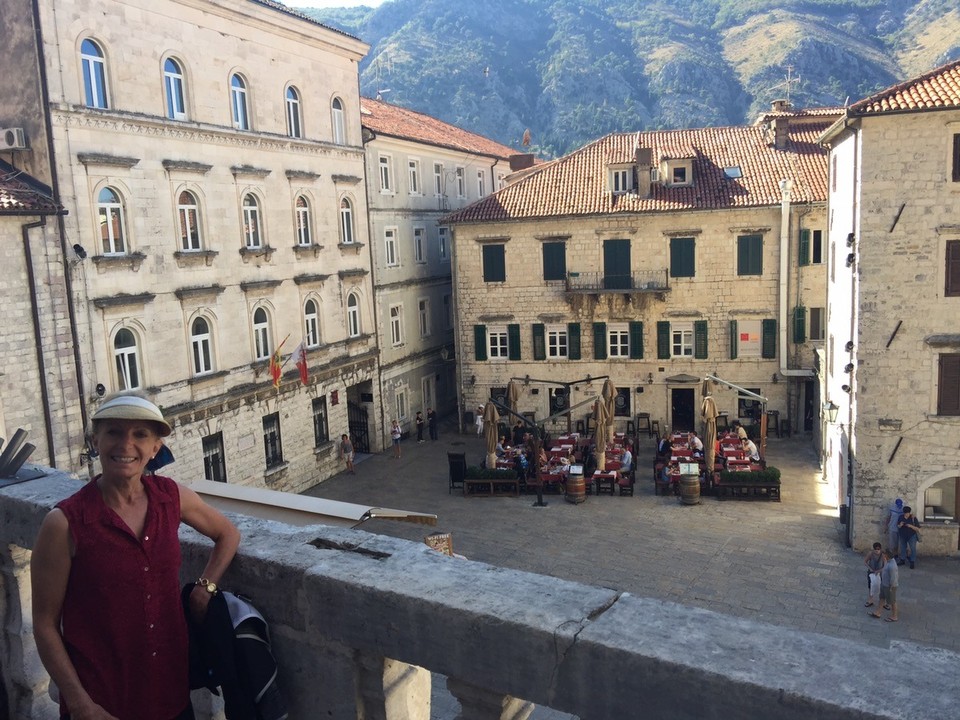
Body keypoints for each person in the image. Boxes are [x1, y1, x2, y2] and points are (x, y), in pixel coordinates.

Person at [31, 392, 241, 720]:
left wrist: (205, 587)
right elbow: (44, 625)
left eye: (140, 434)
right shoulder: (65, 523)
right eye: (114, 431)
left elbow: (227, 533)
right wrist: (82, 705)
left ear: (155, 447)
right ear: (96, 441)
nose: (126, 445)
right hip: (103, 703)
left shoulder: (170, 498)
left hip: (171, 696)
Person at [875, 549, 899, 622]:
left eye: (884, 554)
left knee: (892, 601)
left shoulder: (892, 566)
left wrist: (891, 588)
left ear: (887, 556)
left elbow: (894, 578)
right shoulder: (887, 562)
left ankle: (894, 616)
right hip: (884, 584)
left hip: (889, 587)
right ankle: (878, 612)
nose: (883, 555)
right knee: (882, 598)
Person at [863, 542, 883, 608]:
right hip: (871, 572)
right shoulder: (870, 554)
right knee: (870, 585)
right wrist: (870, 569)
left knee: (882, 587)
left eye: (878, 549)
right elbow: (865, 562)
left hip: (880, 573)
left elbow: (885, 565)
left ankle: (883, 602)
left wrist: (879, 571)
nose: (877, 551)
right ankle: (870, 600)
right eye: (876, 549)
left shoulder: (883, 555)